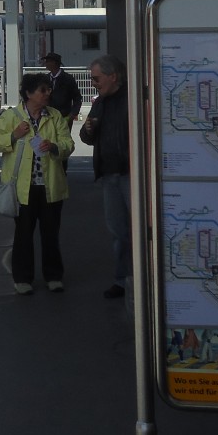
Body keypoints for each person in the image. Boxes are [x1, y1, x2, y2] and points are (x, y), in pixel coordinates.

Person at [0, 71, 74, 295]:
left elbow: (68, 143)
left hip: (50, 187)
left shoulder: (54, 116)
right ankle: (23, 278)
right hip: (22, 189)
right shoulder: (12, 117)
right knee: (23, 235)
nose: (48, 93)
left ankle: (54, 276)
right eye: (42, 90)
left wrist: (54, 147)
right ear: (28, 93)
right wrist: (13, 136)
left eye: (48, 89)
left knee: (50, 234)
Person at [79, 53, 131, 299]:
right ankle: (122, 280)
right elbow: (86, 137)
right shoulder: (99, 102)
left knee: (139, 230)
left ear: (113, 76)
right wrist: (88, 130)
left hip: (131, 175)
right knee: (118, 231)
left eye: (96, 78)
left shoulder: (132, 100)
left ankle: (141, 278)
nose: (93, 83)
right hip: (109, 175)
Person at [42, 52, 83, 131]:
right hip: (48, 117)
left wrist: (72, 115)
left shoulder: (68, 79)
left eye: (48, 61)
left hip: (64, 116)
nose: (46, 63)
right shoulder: (45, 79)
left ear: (55, 63)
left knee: (63, 140)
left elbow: (77, 98)